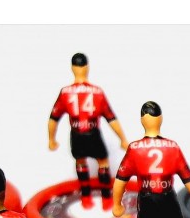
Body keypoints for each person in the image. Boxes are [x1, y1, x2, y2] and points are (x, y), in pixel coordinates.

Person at [48, 52, 129, 209]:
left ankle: (86, 196)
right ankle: (106, 198)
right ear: (87, 68)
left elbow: (53, 118)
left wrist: (51, 139)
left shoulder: (65, 92)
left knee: (80, 161)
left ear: (72, 68)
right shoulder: (97, 91)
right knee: (103, 162)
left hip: (76, 133)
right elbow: (111, 118)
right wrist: (123, 138)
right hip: (93, 132)